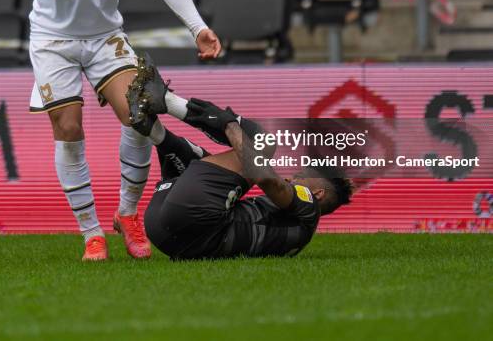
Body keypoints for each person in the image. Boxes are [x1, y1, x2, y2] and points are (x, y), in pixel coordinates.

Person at [22, 0, 221, 261]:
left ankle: (127, 215)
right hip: (52, 39)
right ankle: (91, 233)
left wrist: (197, 28)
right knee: (69, 129)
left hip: (103, 37)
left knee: (138, 112)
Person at [126, 55, 353, 260]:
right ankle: (154, 128)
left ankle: (167, 102)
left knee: (263, 143)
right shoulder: (298, 234)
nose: (294, 176)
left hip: (193, 218)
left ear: (318, 193)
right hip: (169, 237)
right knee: (204, 159)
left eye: (303, 176)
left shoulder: (309, 206)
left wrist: (229, 124)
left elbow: (268, 180)